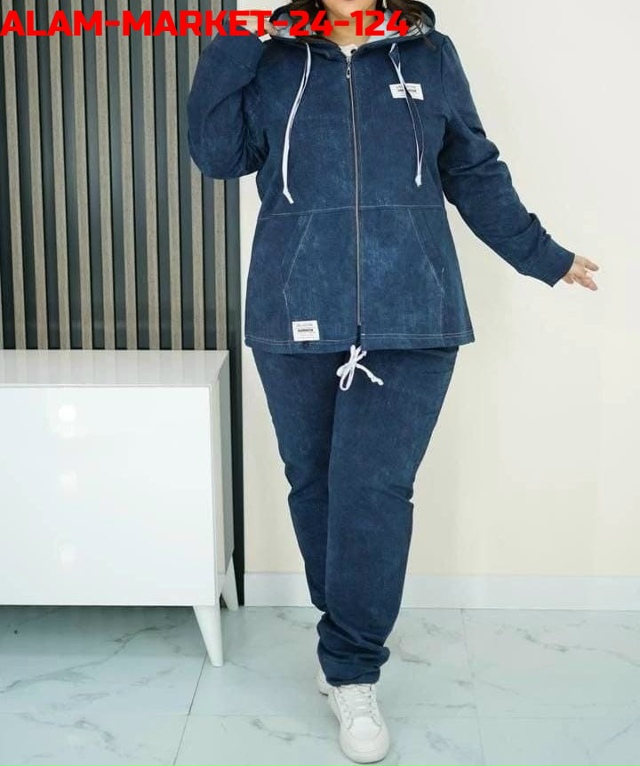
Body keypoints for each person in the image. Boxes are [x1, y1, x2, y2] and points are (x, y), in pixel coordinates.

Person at [187, 1, 599, 761]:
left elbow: (471, 167)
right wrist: (234, 39)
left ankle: (352, 670)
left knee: (372, 490)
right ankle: (343, 634)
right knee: (315, 486)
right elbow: (217, 155)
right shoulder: (271, 57)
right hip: (294, 305)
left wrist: (542, 255)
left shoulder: (430, 54)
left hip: (414, 310)